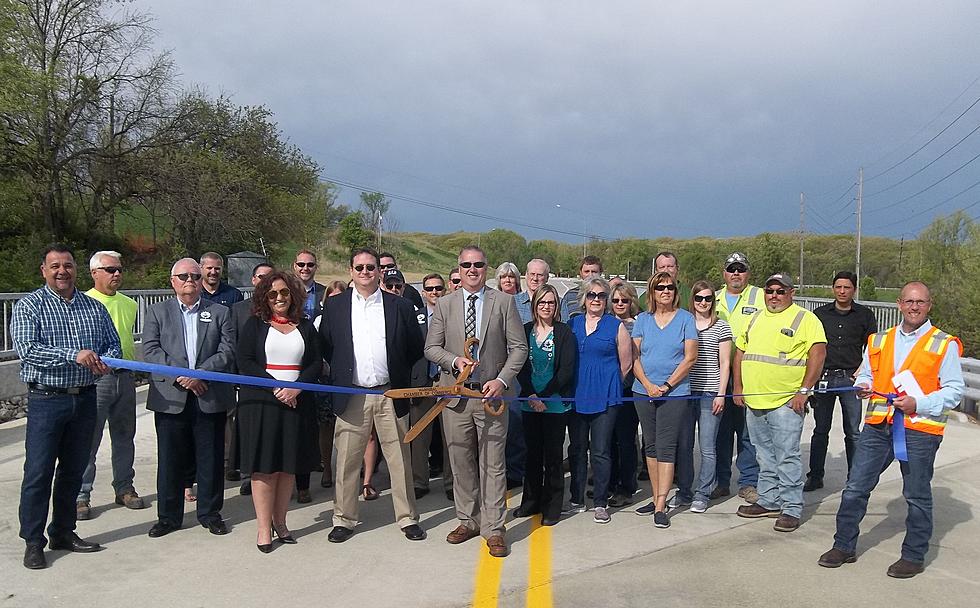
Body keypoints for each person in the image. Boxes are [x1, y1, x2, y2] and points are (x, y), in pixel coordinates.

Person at [818, 281, 963, 578]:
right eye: (909, 301)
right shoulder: (879, 339)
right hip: (877, 427)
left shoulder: (943, 343)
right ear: (899, 304)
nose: (914, 307)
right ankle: (843, 545)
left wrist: (919, 403)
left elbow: (954, 390)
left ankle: (913, 555)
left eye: (920, 302)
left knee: (916, 494)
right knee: (855, 487)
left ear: (929, 305)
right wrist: (862, 387)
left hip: (919, 429)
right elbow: (867, 375)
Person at [13, 244, 121, 569]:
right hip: (47, 400)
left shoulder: (93, 307)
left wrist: (106, 362)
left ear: (77, 270)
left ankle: (63, 531)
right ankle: (34, 541)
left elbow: (112, 343)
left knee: (73, 471)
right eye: (55, 266)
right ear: (44, 270)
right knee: (38, 472)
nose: (63, 271)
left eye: (68, 265)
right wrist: (72, 354)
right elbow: (28, 350)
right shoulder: (29, 306)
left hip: (85, 397)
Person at [424, 245, 527, 558]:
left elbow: (519, 348)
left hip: (491, 396)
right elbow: (431, 348)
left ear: (486, 267)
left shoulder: (504, 302)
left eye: (478, 264)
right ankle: (467, 520)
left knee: (493, 465)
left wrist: (502, 380)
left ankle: (494, 528)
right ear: (459, 267)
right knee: (461, 462)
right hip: (456, 397)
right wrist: (455, 361)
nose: (472, 270)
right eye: (466, 265)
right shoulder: (445, 304)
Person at [319, 248, 426, 544]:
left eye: (371, 268)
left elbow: (414, 348)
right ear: (350, 271)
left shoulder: (399, 306)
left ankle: (407, 518)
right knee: (346, 462)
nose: (365, 272)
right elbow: (328, 346)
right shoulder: (336, 306)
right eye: (360, 268)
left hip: (390, 392)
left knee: (400, 460)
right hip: (352, 394)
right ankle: (344, 518)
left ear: (379, 271)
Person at [142, 257, 236, 538]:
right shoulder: (157, 312)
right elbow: (151, 350)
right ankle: (169, 517)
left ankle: (210, 513)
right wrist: (182, 375)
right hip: (170, 397)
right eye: (183, 276)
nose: (190, 281)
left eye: (195, 276)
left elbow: (227, 351)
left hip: (209, 395)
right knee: (170, 459)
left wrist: (200, 374)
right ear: (173, 281)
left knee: (211, 458)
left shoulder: (220, 312)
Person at [733, 273, 826, 533]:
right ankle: (769, 500)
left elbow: (818, 354)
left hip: (786, 401)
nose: (774, 295)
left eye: (780, 291)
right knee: (763, 455)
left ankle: (791, 508)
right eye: (770, 290)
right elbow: (741, 352)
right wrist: (739, 387)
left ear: (791, 292)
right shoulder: (755, 317)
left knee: (787, 456)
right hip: (754, 399)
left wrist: (804, 390)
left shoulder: (806, 319)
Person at [236, 271, 321, 552]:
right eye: (272, 294)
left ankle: (281, 522)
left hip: (296, 402)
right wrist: (276, 388)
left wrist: (296, 388)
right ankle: (263, 527)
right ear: (264, 298)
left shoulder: (306, 326)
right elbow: (245, 361)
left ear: (292, 294)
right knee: (264, 468)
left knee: (287, 466)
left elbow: (315, 363)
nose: (279, 298)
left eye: (284, 292)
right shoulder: (254, 325)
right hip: (262, 403)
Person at [75, 251, 146, 521]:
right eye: (109, 269)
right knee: (89, 438)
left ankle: (124, 487)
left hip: (126, 375)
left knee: (125, 436)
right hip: (95, 378)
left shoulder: (129, 304)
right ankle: (81, 494)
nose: (116, 274)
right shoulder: (84, 302)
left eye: (119, 269)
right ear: (94, 273)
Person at [631, 272, 698, 528]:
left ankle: (661, 505)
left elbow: (690, 357)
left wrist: (667, 385)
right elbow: (634, 356)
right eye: (660, 287)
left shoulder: (686, 319)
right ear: (653, 291)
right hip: (643, 391)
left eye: (670, 287)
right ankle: (656, 495)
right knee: (650, 445)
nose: (665, 291)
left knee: (666, 446)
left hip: (675, 393)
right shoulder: (643, 320)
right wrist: (648, 385)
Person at [805, 271, 878, 491]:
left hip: (850, 379)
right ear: (833, 288)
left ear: (854, 289)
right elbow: (811, 347)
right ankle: (815, 476)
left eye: (847, 287)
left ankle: (855, 478)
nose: (842, 291)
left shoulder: (865, 315)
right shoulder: (819, 314)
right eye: (838, 287)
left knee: (853, 432)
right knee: (820, 430)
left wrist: (861, 372)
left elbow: (873, 348)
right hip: (825, 378)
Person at [568, 277, 632, 525]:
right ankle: (576, 498)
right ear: (584, 298)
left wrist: (608, 381)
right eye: (592, 295)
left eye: (601, 296)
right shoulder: (572, 324)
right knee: (576, 449)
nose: (596, 300)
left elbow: (626, 364)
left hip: (605, 396)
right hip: (576, 394)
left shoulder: (616, 326)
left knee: (601, 450)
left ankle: (601, 502)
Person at [513, 285, 576, 526]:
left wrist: (544, 396)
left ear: (556, 306)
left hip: (555, 405)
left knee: (552, 456)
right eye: (542, 302)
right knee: (532, 455)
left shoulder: (564, 332)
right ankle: (530, 502)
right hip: (529, 403)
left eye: (551, 303)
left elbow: (566, 370)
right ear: (534, 305)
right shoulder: (525, 331)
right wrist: (530, 394)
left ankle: (552, 506)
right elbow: (520, 365)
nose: (546, 307)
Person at [672, 281, 731, 513]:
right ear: (693, 300)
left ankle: (703, 492)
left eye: (708, 299)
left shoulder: (721, 327)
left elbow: (725, 363)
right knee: (684, 446)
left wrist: (721, 394)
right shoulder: (684, 323)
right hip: (685, 391)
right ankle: (684, 491)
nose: (703, 303)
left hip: (709, 391)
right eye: (699, 298)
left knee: (707, 446)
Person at [713, 252, 762, 502]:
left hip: (748, 374)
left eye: (740, 269)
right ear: (724, 273)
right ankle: (721, 481)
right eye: (731, 268)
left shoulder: (760, 297)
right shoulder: (714, 298)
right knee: (720, 431)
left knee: (746, 433)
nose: (735, 273)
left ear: (748, 273)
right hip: (719, 375)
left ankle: (748, 482)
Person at [408, 273, 454, 500]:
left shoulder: (453, 316)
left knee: (451, 436)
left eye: (438, 288)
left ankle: (451, 482)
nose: (434, 292)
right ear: (423, 292)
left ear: (444, 290)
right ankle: (419, 481)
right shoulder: (413, 317)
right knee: (419, 436)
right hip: (422, 381)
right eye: (430, 288)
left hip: (447, 382)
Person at [231, 262, 274, 497]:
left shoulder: (284, 311)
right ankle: (249, 475)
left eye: (270, 278)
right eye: (261, 277)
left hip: (279, 384)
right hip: (249, 381)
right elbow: (234, 346)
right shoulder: (238, 310)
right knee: (250, 432)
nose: (265, 282)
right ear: (253, 280)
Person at [608, 282, 641, 507]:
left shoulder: (638, 325)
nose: (620, 304)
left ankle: (626, 486)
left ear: (632, 303)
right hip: (606, 390)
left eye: (625, 300)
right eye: (616, 300)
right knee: (607, 440)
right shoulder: (605, 323)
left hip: (628, 390)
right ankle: (609, 481)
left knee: (626, 440)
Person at [561, 255, 602, 320]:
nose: (590, 275)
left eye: (594, 272)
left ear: (600, 273)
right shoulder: (570, 295)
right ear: (581, 273)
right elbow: (564, 322)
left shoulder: (606, 296)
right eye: (587, 271)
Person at [515, 259, 551, 324]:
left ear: (547, 278)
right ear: (526, 275)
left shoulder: (559, 303)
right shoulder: (513, 302)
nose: (535, 278)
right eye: (532, 274)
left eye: (540, 275)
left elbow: (564, 330)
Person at [294, 249, 326, 321]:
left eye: (310, 265)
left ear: (316, 267)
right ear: (295, 266)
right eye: (301, 264)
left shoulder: (325, 292)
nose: (305, 268)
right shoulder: (286, 291)